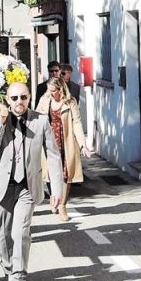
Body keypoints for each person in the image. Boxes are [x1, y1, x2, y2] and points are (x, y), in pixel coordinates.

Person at [0, 82, 63, 281]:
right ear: (7, 100)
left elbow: (53, 155)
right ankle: (9, 268)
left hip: (27, 187)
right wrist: (0, 124)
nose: (20, 102)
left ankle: (18, 278)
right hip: (3, 187)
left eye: (24, 97)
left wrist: (56, 189)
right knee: (4, 235)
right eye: (15, 98)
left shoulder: (41, 121)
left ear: (29, 98)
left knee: (21, 232)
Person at [36, 77, 91, 221]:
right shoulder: (44, 100)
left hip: (66, 142)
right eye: (49, 89)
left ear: (60, 89)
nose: (50, 92)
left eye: (53, 90)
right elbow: (36, 119)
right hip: (49, 142)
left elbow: (77, 123)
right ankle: (54, 198)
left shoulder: (70, 102)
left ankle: (62, 206)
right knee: (51, 173)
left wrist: (83, 145)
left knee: (66, 174)